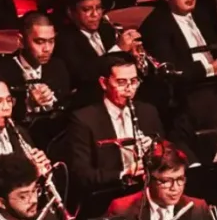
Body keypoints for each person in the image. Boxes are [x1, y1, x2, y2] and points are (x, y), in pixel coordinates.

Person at [65, 53, 165, 203]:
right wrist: (123, 174)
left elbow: (168, 156)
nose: (129, 89)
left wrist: (155, 149)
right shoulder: (84, 120)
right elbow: (82, 175)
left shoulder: (148, 112)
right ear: (104, 83)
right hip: (108, 197)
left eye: (134, 81)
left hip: (148, 192)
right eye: (121, 82)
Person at [102, 143, 214, 220]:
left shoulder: (198, 210)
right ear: (147, 179)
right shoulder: (121, 210)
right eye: (166, 181)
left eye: (180, 179)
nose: (175, 188)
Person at [142, 0, 217, 77]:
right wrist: (209, 69)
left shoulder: (204, 13)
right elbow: (171, 71)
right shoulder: (155, 26)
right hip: (191, 84)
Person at [56, 0, 123, 100]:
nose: (95, 14)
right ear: (71, 12)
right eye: (87, 9)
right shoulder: (64, 40)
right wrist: (119, 49)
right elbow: (83, 75)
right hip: (91, 100)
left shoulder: (107, 29)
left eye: (99, 8)